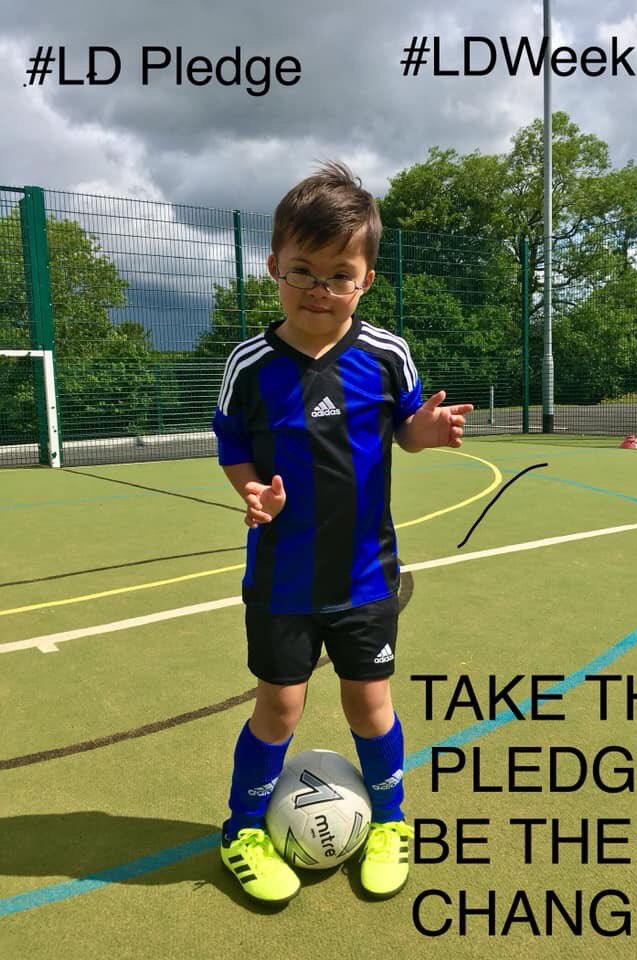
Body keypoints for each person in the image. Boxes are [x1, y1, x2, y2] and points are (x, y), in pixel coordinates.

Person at [212, 161, 473, 905]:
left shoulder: (385, 355)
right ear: (274, 266)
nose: (318, 289)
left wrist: (424, 431)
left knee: (370, 701)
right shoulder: (249, 365)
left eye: (339, 275)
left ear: (366, 280)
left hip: (365, 575)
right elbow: (232, 444)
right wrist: (251, 490)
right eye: (302, 271)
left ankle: (389, 822)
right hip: (283, 580)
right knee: (280, 707)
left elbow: (406, 427)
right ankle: (241, 831)